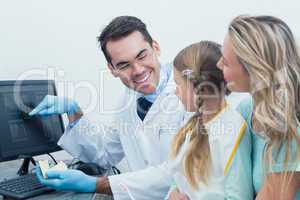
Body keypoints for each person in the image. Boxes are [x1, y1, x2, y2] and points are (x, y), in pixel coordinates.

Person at [31, 16, 188, 199]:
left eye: (141, 55)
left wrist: (94, 184)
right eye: (123, 64)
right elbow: (104, 154)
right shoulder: (128, 101)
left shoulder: (191, 95)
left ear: (156, 47)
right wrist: (74, 112)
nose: (137, 70)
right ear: (112, 69)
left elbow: (177, 174)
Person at [217, 15, 300, 199]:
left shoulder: (288, 127)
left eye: (226, 62)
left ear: (254, 69)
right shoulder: (246, 110)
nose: (218, 64)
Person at [166, 41, 252, 199]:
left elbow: (239, 196)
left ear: (199, 87)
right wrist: (172, 193)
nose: (174, 91)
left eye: (178, 84)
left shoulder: (232, 130)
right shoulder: (192, 124)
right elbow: (180, 176)